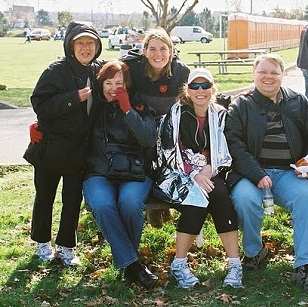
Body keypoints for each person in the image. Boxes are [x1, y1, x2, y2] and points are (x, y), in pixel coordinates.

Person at [225, 53, 308, 294]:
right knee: (245, 200)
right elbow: (234, 143)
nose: (268, 77)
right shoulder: (241, 105)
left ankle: (306, 265)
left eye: (274, 72)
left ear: (282, 75)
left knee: (305, 199)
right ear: (254, 74)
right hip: (251, 174)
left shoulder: (297, 101)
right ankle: (254, 251)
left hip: (288, 173)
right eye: (263, 72)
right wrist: (256, 173)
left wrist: (307, 161)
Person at [24, 21, 103, 266]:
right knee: (45, 197)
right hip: (51, 149)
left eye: (90, 42)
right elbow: (40, 104)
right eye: (80, 43)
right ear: (70, 45)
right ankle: (41, 242)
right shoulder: (55, 70)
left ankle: (67, 247)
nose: (86, 48)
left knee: (72, 201)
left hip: (80, 152)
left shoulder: (99, 71)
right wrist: (73, 98)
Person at [154, 68, 241, 289]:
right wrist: (193, 174)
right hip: (175, 174)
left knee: (219, 193)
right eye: (195, 86)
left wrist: (206, 171)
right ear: (188, 90)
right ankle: (179, 264)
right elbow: (167, 151)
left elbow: (223, 152)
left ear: (213, 89)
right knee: (196, 197)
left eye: (205, 86)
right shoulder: (175, 114)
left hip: (211, 172)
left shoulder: (221, 114)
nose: (200, 91)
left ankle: (234, 264)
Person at [83, 60, 158, 289]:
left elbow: (148, 138)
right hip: (98, 171)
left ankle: (128, 265)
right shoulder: (92, 106)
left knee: (130, 201)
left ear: (127, 84)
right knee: (102, 204)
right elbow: (65, 125)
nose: (114, 87)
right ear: (101, 84)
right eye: (108, 82)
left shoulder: (138, 104)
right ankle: (133, 265)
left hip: (135, 171)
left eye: (119, 82)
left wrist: (128, 110)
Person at [122, 28, 190, 228]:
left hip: (169, 128)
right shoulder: (132, 68)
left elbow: (187, 104)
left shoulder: (181, 71)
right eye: (152, 49)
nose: (157, 54)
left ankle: (163, 205)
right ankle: (154, 207)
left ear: (171, 51)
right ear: (144, 51)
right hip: (140, 126)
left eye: (163, 49)